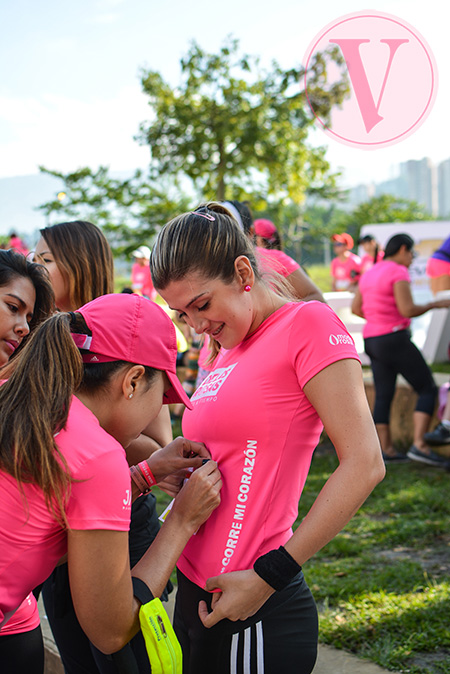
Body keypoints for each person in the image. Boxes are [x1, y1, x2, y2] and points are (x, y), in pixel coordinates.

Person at [150, 202, 385, 674]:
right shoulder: (222, 346)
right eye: (181, 314)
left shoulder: (309, 326)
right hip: (194, 586)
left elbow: (365, 463)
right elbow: (243, 452)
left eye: (201, 304)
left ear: (242, 272)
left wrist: (269, 576)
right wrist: (182, 472)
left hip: (252, 601)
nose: (195, 326)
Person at [0, 293, 222, 674]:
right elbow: (111, 629)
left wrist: (144, 475)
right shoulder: (98, 455)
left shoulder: (18, 395)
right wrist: (182, 520)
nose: (159, 410)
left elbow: (52, 506)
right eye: (163, 396)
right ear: (134, 381)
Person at [31, 220, 175, 673]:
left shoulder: (130, 334)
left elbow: (161, 447)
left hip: (121, 527)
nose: (34, 266)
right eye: (34, 256)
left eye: (46, 259)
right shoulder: (34, 339)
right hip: (61, 527)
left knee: (124, 659)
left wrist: (93, 428)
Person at [352, 233, 450, 466]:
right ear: (404, 249)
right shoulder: (398, 271)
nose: (413, 259)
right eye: (412, 254)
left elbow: (357, 308)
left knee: (384, 393)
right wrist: (436, 304)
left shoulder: (371, 271)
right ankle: (420, 446)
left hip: (372, 340)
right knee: (427, 387)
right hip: (394, 337)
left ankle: (385, 450)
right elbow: (407, 309)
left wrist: (378, 318)